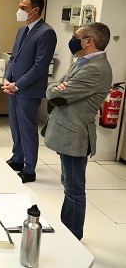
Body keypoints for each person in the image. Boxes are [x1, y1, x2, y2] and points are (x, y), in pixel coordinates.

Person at [42, 22, 112, 240]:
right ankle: (66, 230)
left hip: (75, 135)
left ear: (89, 41)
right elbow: (57, 85)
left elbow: (57, 94)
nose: (73, 39)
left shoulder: (95, 68)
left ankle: (72, 237)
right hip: (68, 131)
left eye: (77, 36)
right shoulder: (82, 61)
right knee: (68, 185)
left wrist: (56, 88)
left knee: (74, 190)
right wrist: (57, 87)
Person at [2, 0, 57, 183]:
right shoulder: (22, 30)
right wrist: (6, 79)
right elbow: (13, 58)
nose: (19, 11)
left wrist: (18, 84)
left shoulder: (46, 32)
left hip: (27, 90)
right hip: (13, 88)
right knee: (16, 127)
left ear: (36, 10)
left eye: (23, 8)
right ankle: (17, 159)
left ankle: (29, 168)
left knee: (27, 129)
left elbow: (40, 67)